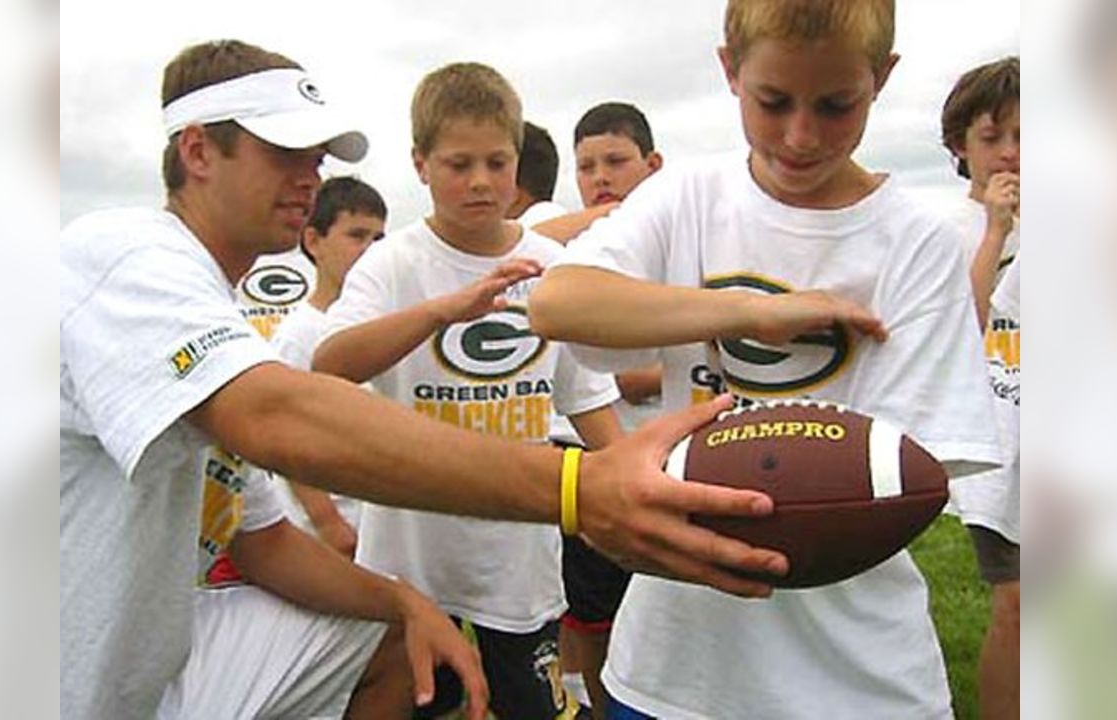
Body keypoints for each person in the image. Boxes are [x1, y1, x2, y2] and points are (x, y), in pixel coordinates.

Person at [60, 37, 840, 719]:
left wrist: (402, 600)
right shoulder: (124, 254)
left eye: (316, 156)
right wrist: (579, 488)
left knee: (400, 638)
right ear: (197, 152)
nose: (311, 176)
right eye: (282, 152)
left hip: (144, 674)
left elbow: (260, 541)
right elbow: (280, 414)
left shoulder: (213, 307)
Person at [529, 1, 1003, 717]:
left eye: (837, 104)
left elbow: (899, 480)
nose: (801, 135)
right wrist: (751, 311)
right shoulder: (688, 195)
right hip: (672, 671)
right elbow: (559, 302)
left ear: (881, 78)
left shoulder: (917, 244)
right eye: (772, 101)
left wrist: (706, 493)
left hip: (857, 680)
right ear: (730, 69)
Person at [313, 61, 623, 720]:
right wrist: (439, 312)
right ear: (420, 163)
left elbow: (588, 400)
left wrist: (635, 487)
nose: (481, 181)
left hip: (519, 560)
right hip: (412, 565)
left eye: (497, 161)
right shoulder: (394, 262)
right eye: (459, 164)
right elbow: (327, 363)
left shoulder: (554, 266)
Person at [161, 446, 484, 718]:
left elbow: (266, 547)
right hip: (117, 673)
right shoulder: (191, 388)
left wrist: (406, 602)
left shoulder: (215, 411)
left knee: (390, 627)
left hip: (166, 640)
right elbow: (284, 417)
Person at [560, 100, 667, 719]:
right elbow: (614, 378)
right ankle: (587, 707)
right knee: (590, 611)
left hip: (674, 460)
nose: (600, 176)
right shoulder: (581, 250)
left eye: (616, 161)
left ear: (652, 164)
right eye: (586, 166)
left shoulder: (682, 241)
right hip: (595, 459)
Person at [939, 55, 1020, 720]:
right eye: (992, 138)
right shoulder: (947, 231)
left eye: (1027, 135)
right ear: (960, 147)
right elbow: (960, 332)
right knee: (1021, 605)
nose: (1012, 154)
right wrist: (995, 230)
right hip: (1003, 450)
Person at [270, 175, 388, 556]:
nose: (370, 250)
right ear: (314, 241)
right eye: (357, 236)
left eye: (378, 238)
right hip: (324, 536)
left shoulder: (383, 329)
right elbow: (282, 437)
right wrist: (328, 523)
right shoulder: (298, 334)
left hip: (376, 526)